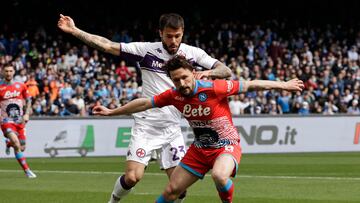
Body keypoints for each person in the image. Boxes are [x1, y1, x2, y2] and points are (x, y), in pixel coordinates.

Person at [58, 13, 232, 203]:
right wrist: (74, 31)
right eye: (168, 36)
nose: (173, 41)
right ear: (160, 33)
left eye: (177, 36)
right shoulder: (146, 51)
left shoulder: (194, 54)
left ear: (182, 33)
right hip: (146, 125)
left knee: (179, 189)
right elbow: (107, 45)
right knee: (132, 177)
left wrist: (208, 72)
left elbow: (225, 71)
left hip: (172, 128)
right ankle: (113, 201)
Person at [93, 56, 305, 203]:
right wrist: (112, 112)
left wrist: (284, 85)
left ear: (193, 73)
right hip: (200, 150)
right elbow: (143, 104)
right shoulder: (173, 95)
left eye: (185, 77)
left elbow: (250, 85)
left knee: (220, 176)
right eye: (176, 80)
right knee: (172, 191)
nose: (182, 83)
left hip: (226, 145)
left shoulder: (213, 88)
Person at [0, 63, 36, 178]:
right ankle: (27, 171)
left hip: (20, 121)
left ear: (14, 72)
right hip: (6, 121)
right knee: (17, 144)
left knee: (22, 147)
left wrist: (26, 114)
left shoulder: (21, 86)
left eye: (10, 71)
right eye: (6, 71)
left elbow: (29, 100)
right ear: (2, 72)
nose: (8, 73)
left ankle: (8, 143)